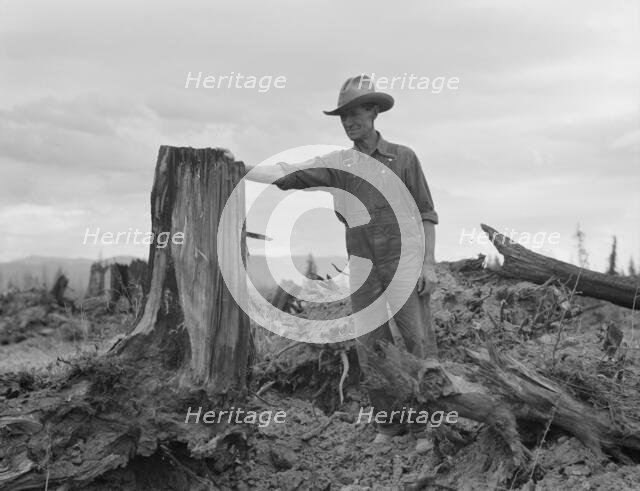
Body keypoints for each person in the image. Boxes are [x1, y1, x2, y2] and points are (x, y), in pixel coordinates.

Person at [245, 75, 439, 453]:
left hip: (405, 264)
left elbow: (427, 214)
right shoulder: (339, 164)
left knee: (417, 344)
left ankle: (426, 428)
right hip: (364, 268)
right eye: (343, 116)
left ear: (374, 112)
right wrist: (238, 167)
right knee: (372, 347)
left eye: (355, 113)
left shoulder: (404, 158)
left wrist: (429, 265)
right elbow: (291, 173)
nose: (349, 121)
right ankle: (388, 424)